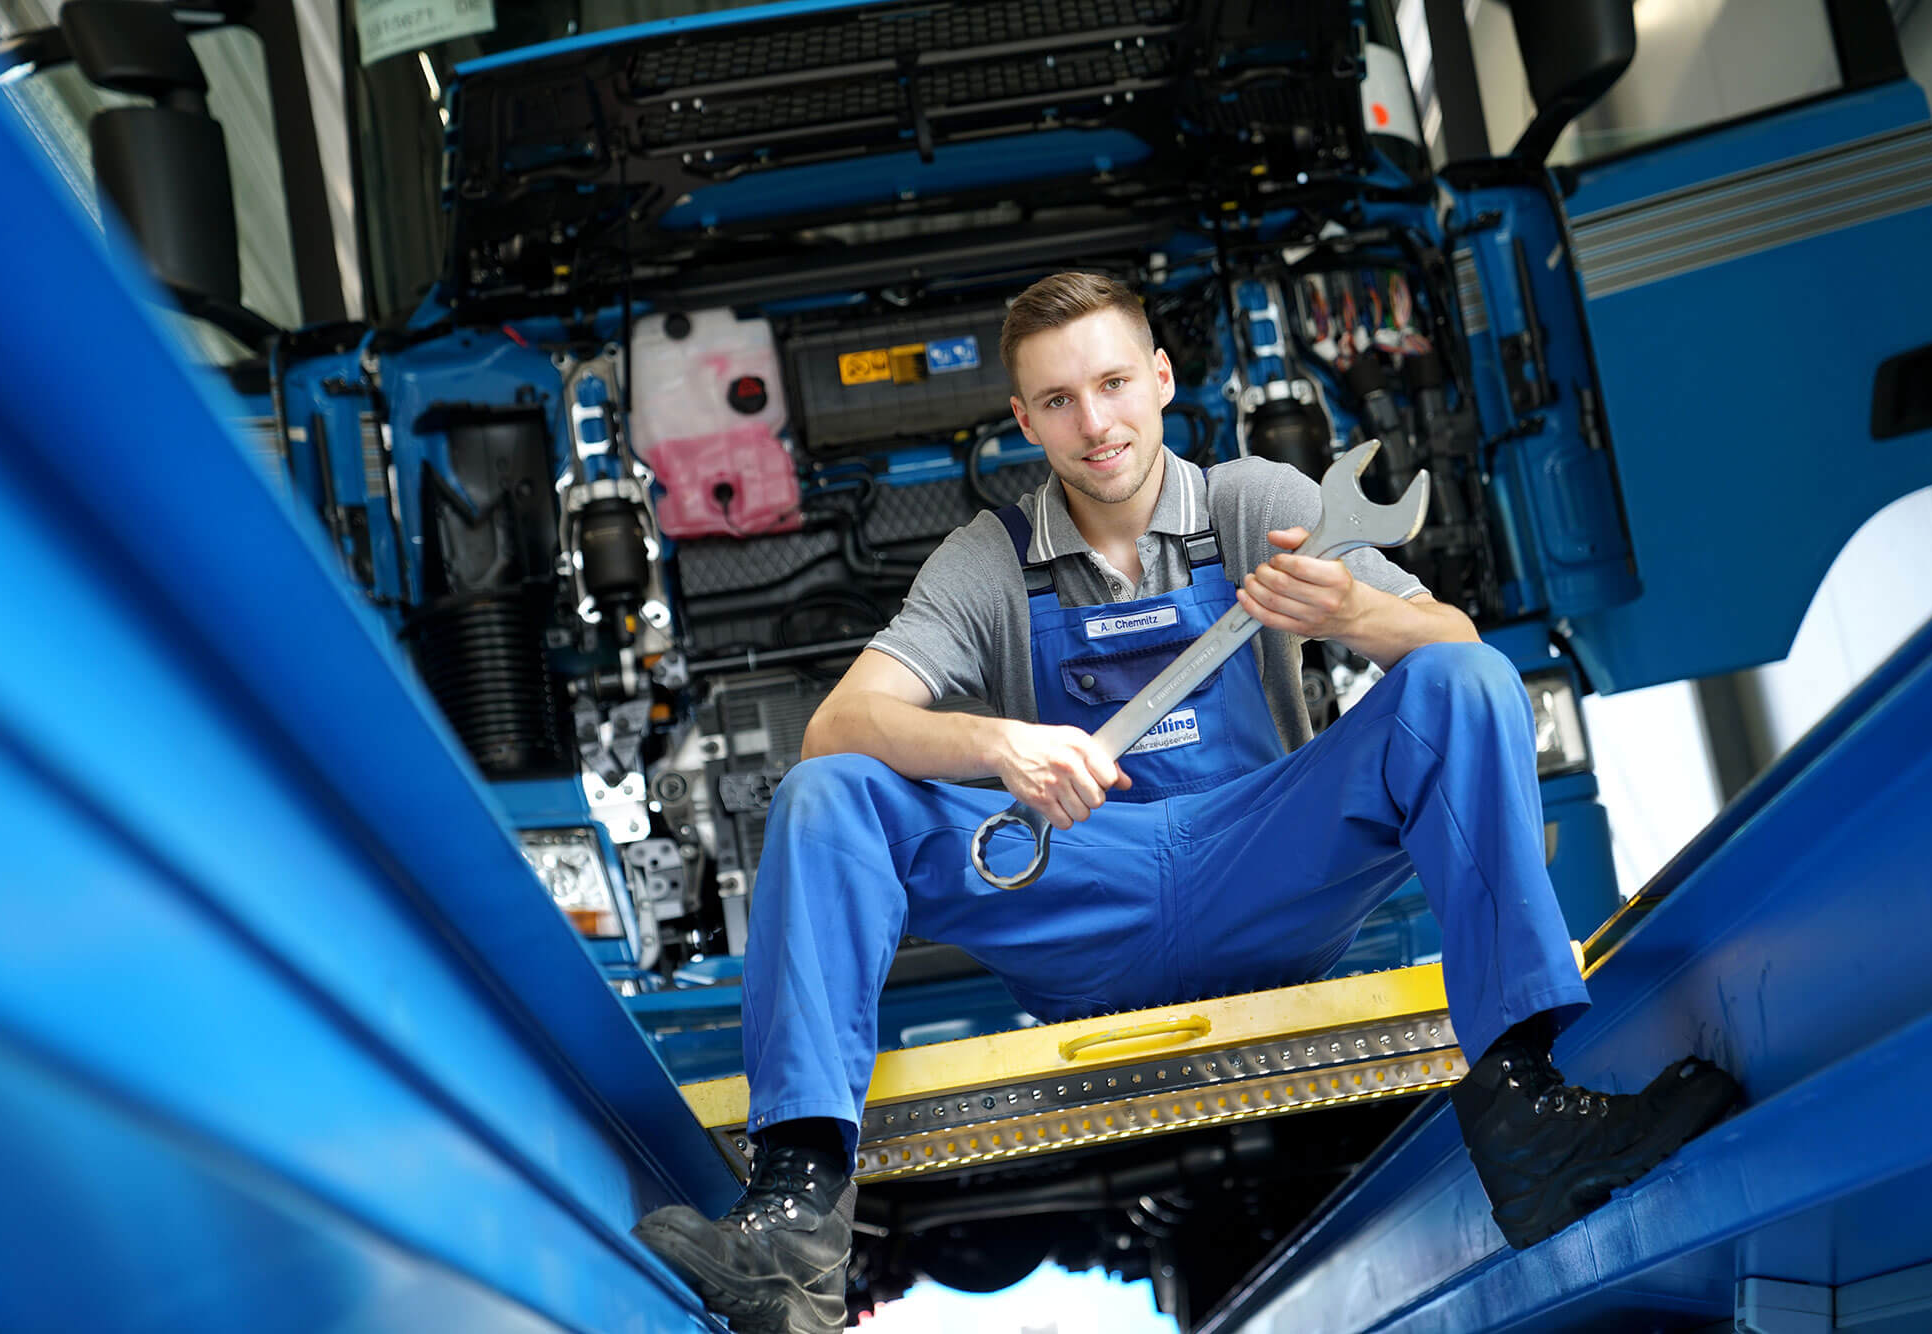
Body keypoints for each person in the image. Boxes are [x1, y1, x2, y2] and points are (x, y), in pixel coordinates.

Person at [637, 273, 1739, 1333]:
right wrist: (997, 744)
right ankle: (795, 1218)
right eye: (1059, 400)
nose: (1095, 421)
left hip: (1263, 860)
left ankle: (1522, 1107)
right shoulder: (987, 559)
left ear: (1162, 379)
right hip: (1084, 893)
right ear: (1024, 420)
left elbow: (1451, 647)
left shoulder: (1252, 499)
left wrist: (1353, 606)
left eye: (1113, 383)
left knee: (1462, 680)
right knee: (828, 792)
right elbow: (839, 723)